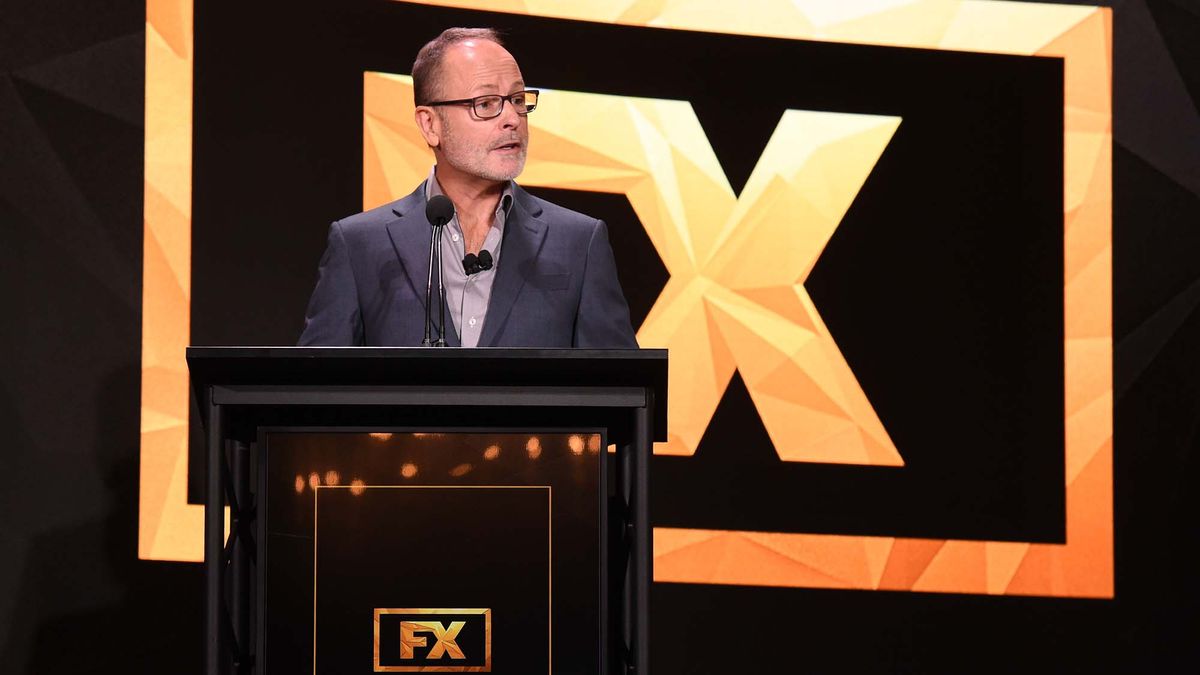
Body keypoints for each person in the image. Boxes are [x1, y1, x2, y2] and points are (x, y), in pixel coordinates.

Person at [298, 27, 637, 348]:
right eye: (486, 103)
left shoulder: (580, 242)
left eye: (518, 99)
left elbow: (625, 394)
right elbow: (314, 392)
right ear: (430, 125)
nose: (512, 118)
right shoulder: (359, 245)